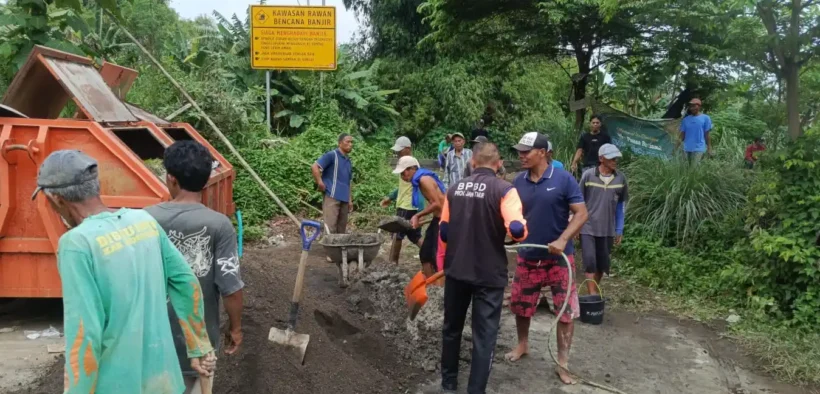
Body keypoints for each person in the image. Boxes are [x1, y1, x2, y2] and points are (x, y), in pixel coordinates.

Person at [32, 150, 215, 393]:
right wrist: (198, 346)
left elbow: (84, 332)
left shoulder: (77, 244)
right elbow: (186, 282)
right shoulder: (143, 221)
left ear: (56, 198)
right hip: (163, 382)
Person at [145, 141, 245, 394]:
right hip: (198, 344)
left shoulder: (143, 220)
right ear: (207, 178)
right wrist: (235, 328)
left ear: (171, 178)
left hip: (149, 342)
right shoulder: (218, 225)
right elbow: (230, 287)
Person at [438, 143, 528, 393]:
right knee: (484, 337)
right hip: (488, 275)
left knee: (451, 328)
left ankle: (448, 384)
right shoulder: (505, 190)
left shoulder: (454, 189)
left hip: (456, 270)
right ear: (499, 165)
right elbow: (518, 231)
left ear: (472, 163)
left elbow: (444, 232)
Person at [505, 132, 589, 386]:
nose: (521, 156)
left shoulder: (563, 179)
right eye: (519, 151)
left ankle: (562, 362)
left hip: (559, 261)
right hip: (528, 257)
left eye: (526, 151)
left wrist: (563, 239)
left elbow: (582, 213)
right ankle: (522, 345)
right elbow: (510, 215)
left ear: (542, 152)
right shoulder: (518, 182)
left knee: (565, 312)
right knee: (521, 305)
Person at [578, 144, 628, 296]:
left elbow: (620, 206)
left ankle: (593, 290)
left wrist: (619, 229)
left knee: (602, 264)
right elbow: (578, 201)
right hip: (587, 226)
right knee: (589, 261)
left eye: (616, 158)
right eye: (611, 158)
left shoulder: (621, 179)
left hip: (607, 228)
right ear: (601, 159)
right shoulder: (588, 176)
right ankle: (593, 295)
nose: (615, 160)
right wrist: (575, 223)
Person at [393, 156, 446, 278]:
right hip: (438, 218)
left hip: (443, 219)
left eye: (403, 172)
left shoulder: (423, 180)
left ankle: (435, 286)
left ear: (411, 169)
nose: (402, 176)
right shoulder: (421, 179)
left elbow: (436, 203)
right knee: (426, 253)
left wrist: (417, 215)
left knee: (429, 254)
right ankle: (431, 284)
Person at [381, 136, 424, 264]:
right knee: (415, 236)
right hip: (410, 205)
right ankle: (432, 257)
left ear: (408, 149)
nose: (398, 153)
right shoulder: (406, 162)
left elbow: (418, 186)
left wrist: (420, 208)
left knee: (397, 234)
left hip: (407, 206)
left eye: (400, 150)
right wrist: (391, 196)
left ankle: (392, 263)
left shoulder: (411, 164)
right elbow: (404, 187)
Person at [312, 133, 354, 234]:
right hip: (332, 196)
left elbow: (348, 182)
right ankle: (328, 250)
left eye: (351, 142)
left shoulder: (348, 161)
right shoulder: (332, 155)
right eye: (347, 142)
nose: (350, 144)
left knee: (341, 230)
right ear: (340, 143)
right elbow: (314, 167)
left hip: (344, 199)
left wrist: (350, 200)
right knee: (330, 228)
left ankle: (338, 250)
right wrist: (320, 182)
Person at [677, 98, 713, 164]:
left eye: (694, 106)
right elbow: (682, 135)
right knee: (684, 170)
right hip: (686, 148)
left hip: (698, 148)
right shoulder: (686, 120)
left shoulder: (706, 118)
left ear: (699, 106)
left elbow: (707, 135)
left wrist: (709, 148)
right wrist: (676, 147)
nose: (692, 108)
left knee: (694, 170)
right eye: (690, 106)